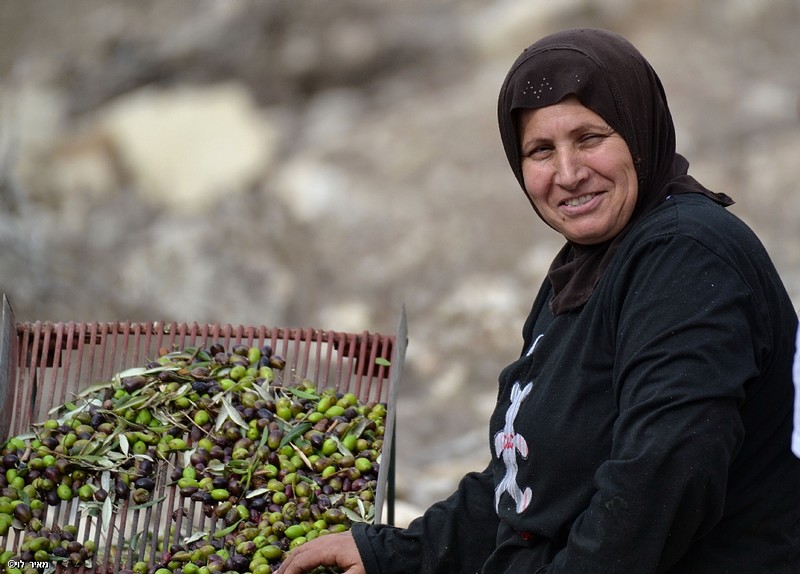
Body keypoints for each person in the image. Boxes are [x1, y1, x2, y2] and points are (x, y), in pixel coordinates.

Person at [277, 27, 800, 574]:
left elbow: (661, 478)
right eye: (541, 150)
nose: (569, 173)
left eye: (591, 138)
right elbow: (527, 479)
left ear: (640, 131)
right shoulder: (586, 271)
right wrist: (392, 555)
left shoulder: (686, 257)